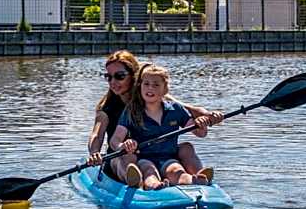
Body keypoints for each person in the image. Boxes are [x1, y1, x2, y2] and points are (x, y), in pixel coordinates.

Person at [86, 50, 221, 185]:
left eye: (119, 76)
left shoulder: (155, 97)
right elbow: (97, 136)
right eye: (108, 77)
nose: (113, 82)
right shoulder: (107, 108)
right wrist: (94, 153)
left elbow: (190, 110)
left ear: (134, 76)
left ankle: (197, 178)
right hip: (126, 156)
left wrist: (209, 116)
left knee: (186, 147)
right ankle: (136, 181)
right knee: (128, 157)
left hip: (161, 153)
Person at [110, 63, 215, 190]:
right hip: (144, 158)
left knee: (177, 171)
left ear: (165, 89)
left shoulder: (176, 109)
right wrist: (124, 145)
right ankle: (154, 186)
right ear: (140, 87)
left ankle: (195, 180)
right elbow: (115, 141)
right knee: (149, 171)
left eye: (156, 85)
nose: (150, 88)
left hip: (168, 157)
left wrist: (201, 124)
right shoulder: (131, 111)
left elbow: (200, 133)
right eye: (146, 84)